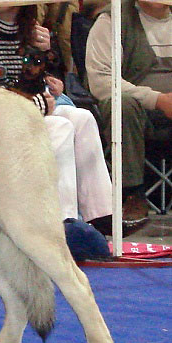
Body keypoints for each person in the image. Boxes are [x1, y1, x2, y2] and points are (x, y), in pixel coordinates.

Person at [0, 5, 115, 236]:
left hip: (29, 106)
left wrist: (47, 56)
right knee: (59, 126)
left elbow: (43, 78)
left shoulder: (33, 30)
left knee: (83, 118)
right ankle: (64, 222)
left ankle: (101, 216)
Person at [85, 0, 172, 225]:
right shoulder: (112, 20)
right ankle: (131, 194)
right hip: (138, 111)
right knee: (121, 104)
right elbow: (101, 81)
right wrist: (158, 100)